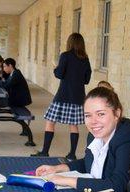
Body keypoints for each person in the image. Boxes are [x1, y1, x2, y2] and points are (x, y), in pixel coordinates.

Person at [32, 33, 91, 161]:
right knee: (73, 125)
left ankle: (45, 151)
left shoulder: (65, 56)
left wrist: (55, 67)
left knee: (50, 121)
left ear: (70, 43)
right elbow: (87, 80)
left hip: (63, 95)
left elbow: (59, 74)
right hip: (78, 97)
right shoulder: (85, 59)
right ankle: (72, 154)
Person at [0, 58, 32, 133]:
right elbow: (5, 82)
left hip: (19, 100)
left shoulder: (16, 74)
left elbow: (6, 85)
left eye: (5, 66)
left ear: (10, 66)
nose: (4, 68)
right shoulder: (13, 73)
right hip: (16, 98)